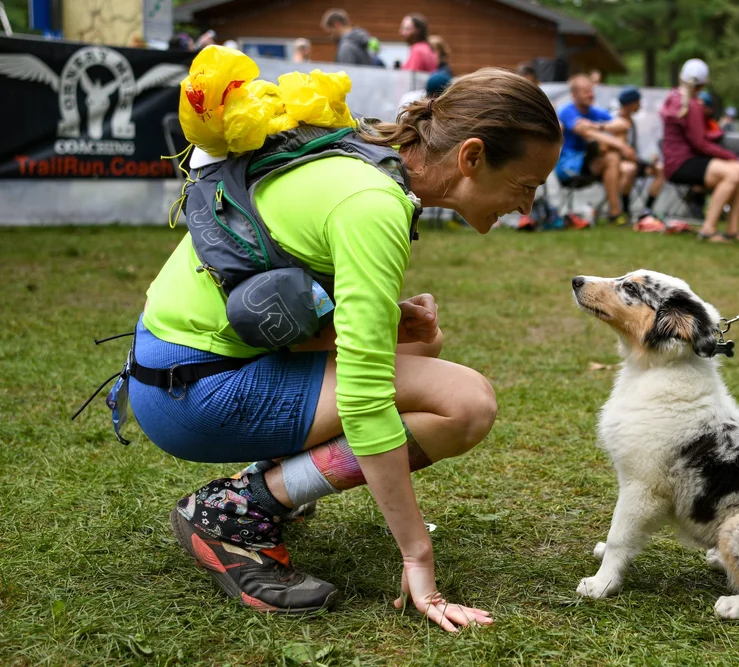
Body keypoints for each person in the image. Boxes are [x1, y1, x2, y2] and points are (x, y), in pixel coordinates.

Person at [130, 65, 562, 629]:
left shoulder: (364, 154)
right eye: (525, 185)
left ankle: (271, 487)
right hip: (190, 391)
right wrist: (416, 554)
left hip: (173, 367)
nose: (526, 206)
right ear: (472, 157)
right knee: (465, 403)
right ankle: (237, 510)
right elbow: (363, 397)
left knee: (425, 352)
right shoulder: (374, 202)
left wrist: (386, 320)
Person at [660, 58, 739, 243]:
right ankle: (708, 229)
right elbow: (699, 143)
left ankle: (733, 230)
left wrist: (714, 137)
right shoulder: (691, 105)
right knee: (733, 174)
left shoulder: (674, 98)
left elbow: (693, 136)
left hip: (676, 162)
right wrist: (731, 156)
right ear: (702, 85)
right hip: (681, 164)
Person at [554, 74, 638, 226]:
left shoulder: (593, 112)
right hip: (569, 166)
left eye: (591, 90)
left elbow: (624, 124)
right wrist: (623, 147)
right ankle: (615, 212)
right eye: (585, 91)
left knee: (624, 165)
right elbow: (586, 133)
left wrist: (598, 125)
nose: (590, 94)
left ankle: (616, 211)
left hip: (589, 163)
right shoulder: (567, 111)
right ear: (574, 95)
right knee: (611, 156)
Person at [616, 86, 666, 222]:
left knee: (660, 170)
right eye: (638, 101)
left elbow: (633, 150)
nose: (640, 105)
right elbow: (621, 150)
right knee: (629, 170)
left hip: (634, 161)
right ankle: (624, 211)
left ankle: (647, 210)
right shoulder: (618, 121)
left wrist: (649, 159)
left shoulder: (632, 122)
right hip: (619, 164)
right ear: (631, 103)